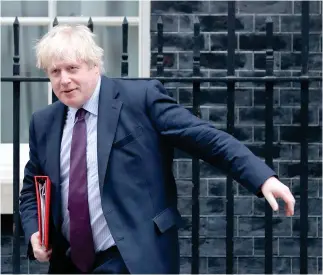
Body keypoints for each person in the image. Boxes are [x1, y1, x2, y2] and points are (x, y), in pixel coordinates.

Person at [19, 24, 295, 274]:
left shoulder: (140, 99)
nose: (63, 79)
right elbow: (33, 187)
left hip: (130, 258)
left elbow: (204, 138)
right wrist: (34, 234)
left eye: (72, 68)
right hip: (69, 263)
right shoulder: (44, 122)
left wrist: (262, 178)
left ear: (95, 66)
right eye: (55, 72)